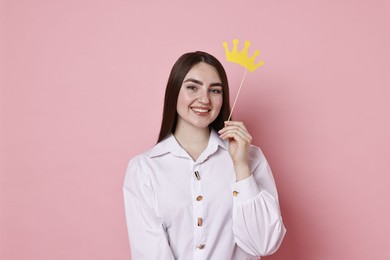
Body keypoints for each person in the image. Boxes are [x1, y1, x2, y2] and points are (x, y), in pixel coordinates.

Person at [123, 51, 286, 259]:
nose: (204, 99)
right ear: (174, 92)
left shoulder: (251, 158)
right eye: (192, 87)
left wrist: (241, 168)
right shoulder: (144, 168)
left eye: (215, 90)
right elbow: (149, 252)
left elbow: (263, 243)